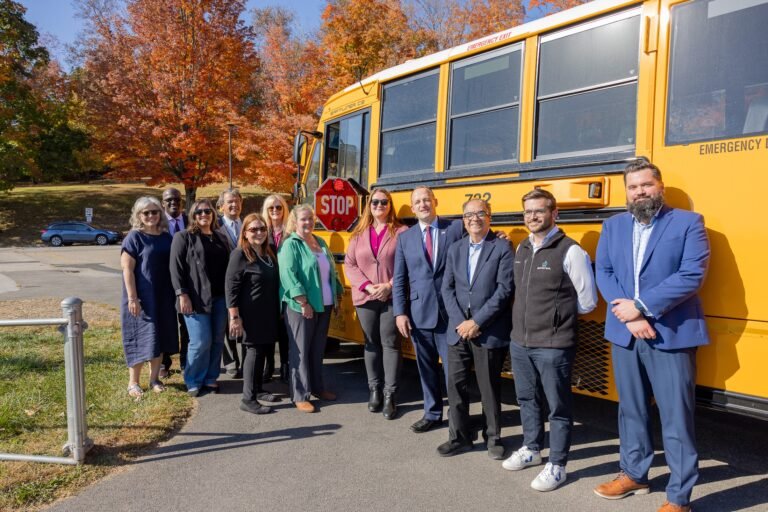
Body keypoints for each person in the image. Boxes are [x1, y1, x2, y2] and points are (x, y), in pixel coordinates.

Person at [594, 158, 710, 512]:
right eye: (633, 187)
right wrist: (629, 318)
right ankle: (633, 474)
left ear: (660, 185)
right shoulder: (612, 226)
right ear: (626, 192)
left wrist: (642, 307)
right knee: (631, 411)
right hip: (625, 334)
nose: (640, 192)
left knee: (676, 417)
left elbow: (692, 274)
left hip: (671, 334)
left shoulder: (689, 223)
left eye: (645, 185)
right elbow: (605, 271)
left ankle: (679, 497)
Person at [502, 189, 597, 492]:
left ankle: (557, 464)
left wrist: (557, 320)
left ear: (555, 214)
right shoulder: (522, 249)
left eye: (539, 211)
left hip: (554, 346)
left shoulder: (570, 251)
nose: (532, 216)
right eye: (528, 211)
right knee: (527, 399)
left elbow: (587, 301)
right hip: (520, 342)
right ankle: (531, 449)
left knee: (558, 407)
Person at [438, 199, 514, 459]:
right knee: (455, 386)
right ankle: (458, 437)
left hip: (488, 330)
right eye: (469, 214)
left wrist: (477, 322)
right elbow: (447, 288)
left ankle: (493, 437)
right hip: (458, 329)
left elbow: (504, 291)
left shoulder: (502, 247)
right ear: (463, 219)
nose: (474, 218)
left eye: (480, 213)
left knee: (488, 387)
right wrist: (462, 322)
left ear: (489, 217)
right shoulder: (455, 249)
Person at [392, 186, 464, 433]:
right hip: (419, 314)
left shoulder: (454, 228)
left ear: (435, 202)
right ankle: (432, 413)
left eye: (427, 200)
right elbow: (399, 279)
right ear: (412, 208)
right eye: (418, 202)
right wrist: (400, 312)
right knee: (427, 369)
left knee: (452, 372)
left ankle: (458, 418)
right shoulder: (405, 238)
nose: (423, 204)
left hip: (450, 313)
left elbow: (480, 238)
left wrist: (500, 237)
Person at [344, 188, 407, 419]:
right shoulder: (358, 233)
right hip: (365, 297)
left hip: (391, 296)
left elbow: (406, 263)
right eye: (374, 202)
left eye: (384, 202)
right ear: (368, 206)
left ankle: (391, 394)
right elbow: (350, 264)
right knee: (370, 343)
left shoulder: (401, 232)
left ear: (390, 205)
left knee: (390, 343)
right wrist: (368, 286)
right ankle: (374, 390)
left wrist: (389, 285)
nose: (379, 205)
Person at [278, 205, 343, 413]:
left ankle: (317, 387)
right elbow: (288, 275)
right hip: (301, 306)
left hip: (324, 304)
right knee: (300, 351)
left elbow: (330, 272)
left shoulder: (320, 242)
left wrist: (337, 295)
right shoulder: (290, 245)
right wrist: (302, 302)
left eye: (311, 219)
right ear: (295, 222)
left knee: (317, 349)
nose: (308, 223)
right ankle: (300, 394)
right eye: (303, 219)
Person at [170, 198, 232, 397]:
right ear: (192, 216)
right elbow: (176, 268)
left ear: (213, 213)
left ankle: (210, 377)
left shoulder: (221, 237)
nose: (203, 215)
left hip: (221, 298)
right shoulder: (183, 237)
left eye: (207, 211)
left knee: (216, 340)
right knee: (199, 341)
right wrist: (182, 294)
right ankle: (193, 379)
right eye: (199, 212)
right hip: (196, 299)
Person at [120, 196, 177, 398]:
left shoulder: (166, 237)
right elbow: (127, 269)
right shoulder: (134, 238)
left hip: (163, 296)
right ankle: (133, 383)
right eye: (146, 213)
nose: (151, 216)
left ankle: (154, 379)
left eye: (154, 212)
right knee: (138, 337)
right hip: (142, 298)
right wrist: (133, 298)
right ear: (139, 216)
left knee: (158, 337)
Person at [226, 213, 281, 415]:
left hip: (268, 313)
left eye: (262, 229)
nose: (258, 233)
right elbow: (231, 288)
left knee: (264, 351)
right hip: (250, 315)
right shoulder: (240, 254)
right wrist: (234, 317)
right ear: (245, 233)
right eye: (253, 229)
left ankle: (258, 389)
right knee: (253, 353)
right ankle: (247, 399)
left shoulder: (269, 252)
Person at [262, 193, 291, 383]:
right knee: (267, 330)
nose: (275, 211)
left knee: (286, 332)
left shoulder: (291, 231)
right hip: (267, 288)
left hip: (287, 288)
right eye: (271, 208)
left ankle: (286, 368)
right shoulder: (261, 231)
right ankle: (268, 366)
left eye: (278, 207)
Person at [160, 187, 188, 378]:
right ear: (163, 203)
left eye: (177, 200)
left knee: (186, 323)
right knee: (165, 323)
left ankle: (187, 361)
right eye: (169, 200)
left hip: (187, 282)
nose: (173, 203)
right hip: (163, 282)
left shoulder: (189, 220)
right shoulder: (156, 222)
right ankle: (164, 363)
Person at [216, 188, 244, 378]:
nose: (234, 205)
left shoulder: (249, 224)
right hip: (224, 282)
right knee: (227, 324)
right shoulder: (215, 227)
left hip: (248, 283)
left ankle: (248, 360)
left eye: (237, 201)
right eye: (229, 202)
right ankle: (232, 362)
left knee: (247, 322)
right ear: (221, 207)